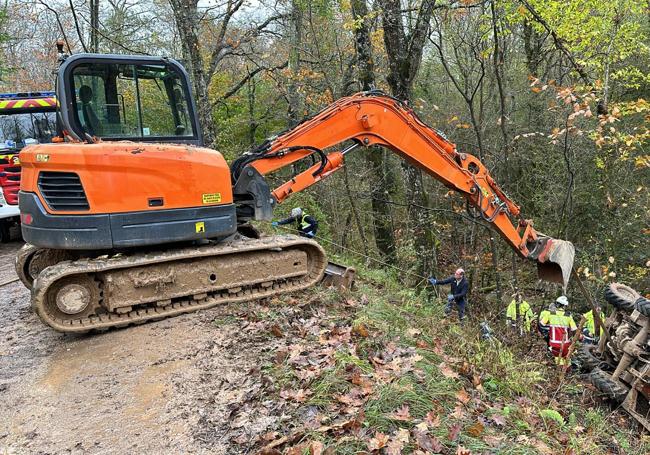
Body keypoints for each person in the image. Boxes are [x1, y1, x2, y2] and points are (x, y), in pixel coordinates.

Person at [539, 295, 577, 369]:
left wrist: (547, 334)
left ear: (557, 304)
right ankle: (567, 374)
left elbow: (541, 325)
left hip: (554, 344)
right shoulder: (568, 316)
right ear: (565, 306)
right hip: (566, 344)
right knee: (567, 360)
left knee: (557, 360)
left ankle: (559, 374)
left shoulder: (550, 314)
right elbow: (574, 329)